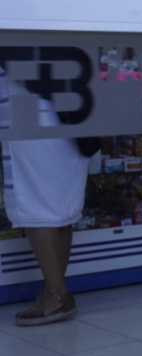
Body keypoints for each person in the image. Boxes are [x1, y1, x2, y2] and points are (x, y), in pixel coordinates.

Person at [4, 116, 91, 326]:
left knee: (36, 204)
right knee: (61, 207)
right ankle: (57, 291)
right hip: (72, 117)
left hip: (29, 118)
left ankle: (55, 294)